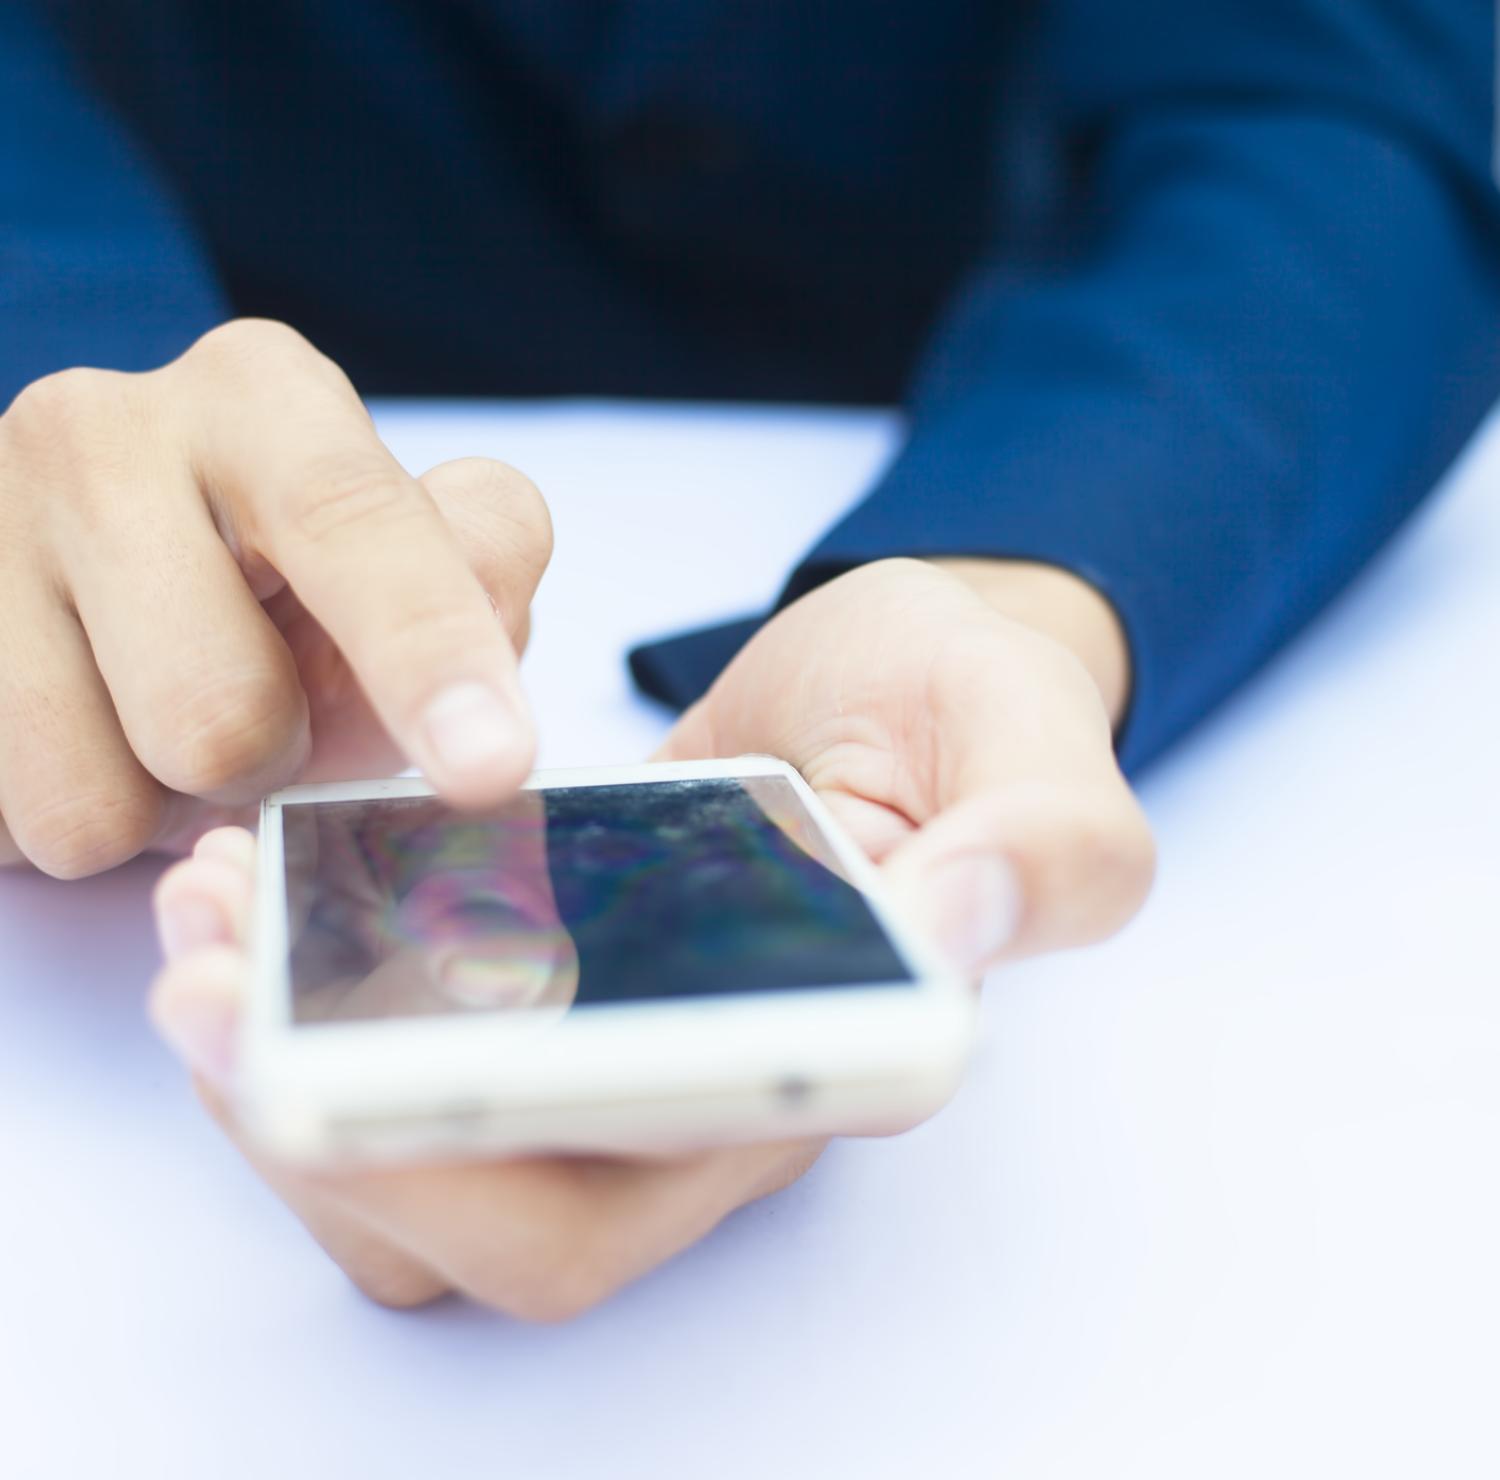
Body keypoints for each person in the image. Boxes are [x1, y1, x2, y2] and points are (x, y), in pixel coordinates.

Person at [2, 2, 1495, 1317]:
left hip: (996, 372)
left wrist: (1011, 587)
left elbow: (1344, 85)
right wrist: (63, 426)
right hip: (223, 342)